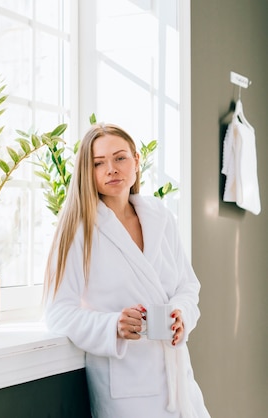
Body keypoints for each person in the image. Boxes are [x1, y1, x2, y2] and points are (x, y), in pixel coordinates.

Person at [44, 123, 210, 417]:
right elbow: (58, 313)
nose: (111, 169)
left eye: (120, 158)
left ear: (136, 161)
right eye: (98, 163)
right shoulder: (78, 229)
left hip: (179, 383)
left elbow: (188, 286)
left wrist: (180, 315)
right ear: (88, 171)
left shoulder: (161, 217)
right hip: (126, 389)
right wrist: (113, 326)